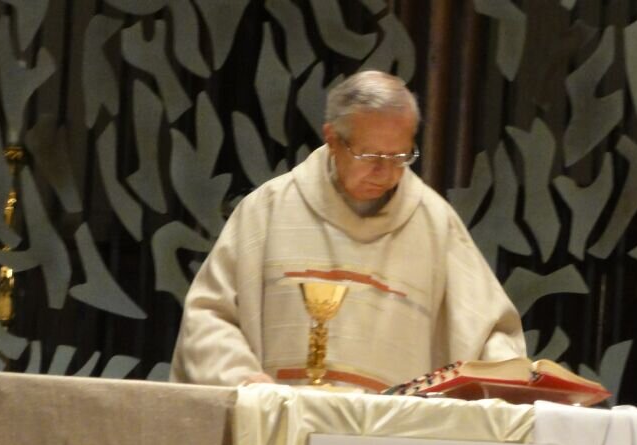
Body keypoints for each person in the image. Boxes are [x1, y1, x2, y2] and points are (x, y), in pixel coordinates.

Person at [170, 70, 525, 390]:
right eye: (370, 157)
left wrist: (513, 382)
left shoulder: (435, 226)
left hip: (386, 438)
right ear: (333, 138)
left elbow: (490, 333)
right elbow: (209, 315)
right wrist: (243, 379)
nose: (385, 173)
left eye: (399, 157)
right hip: (276, 428)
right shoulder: (268, 210)